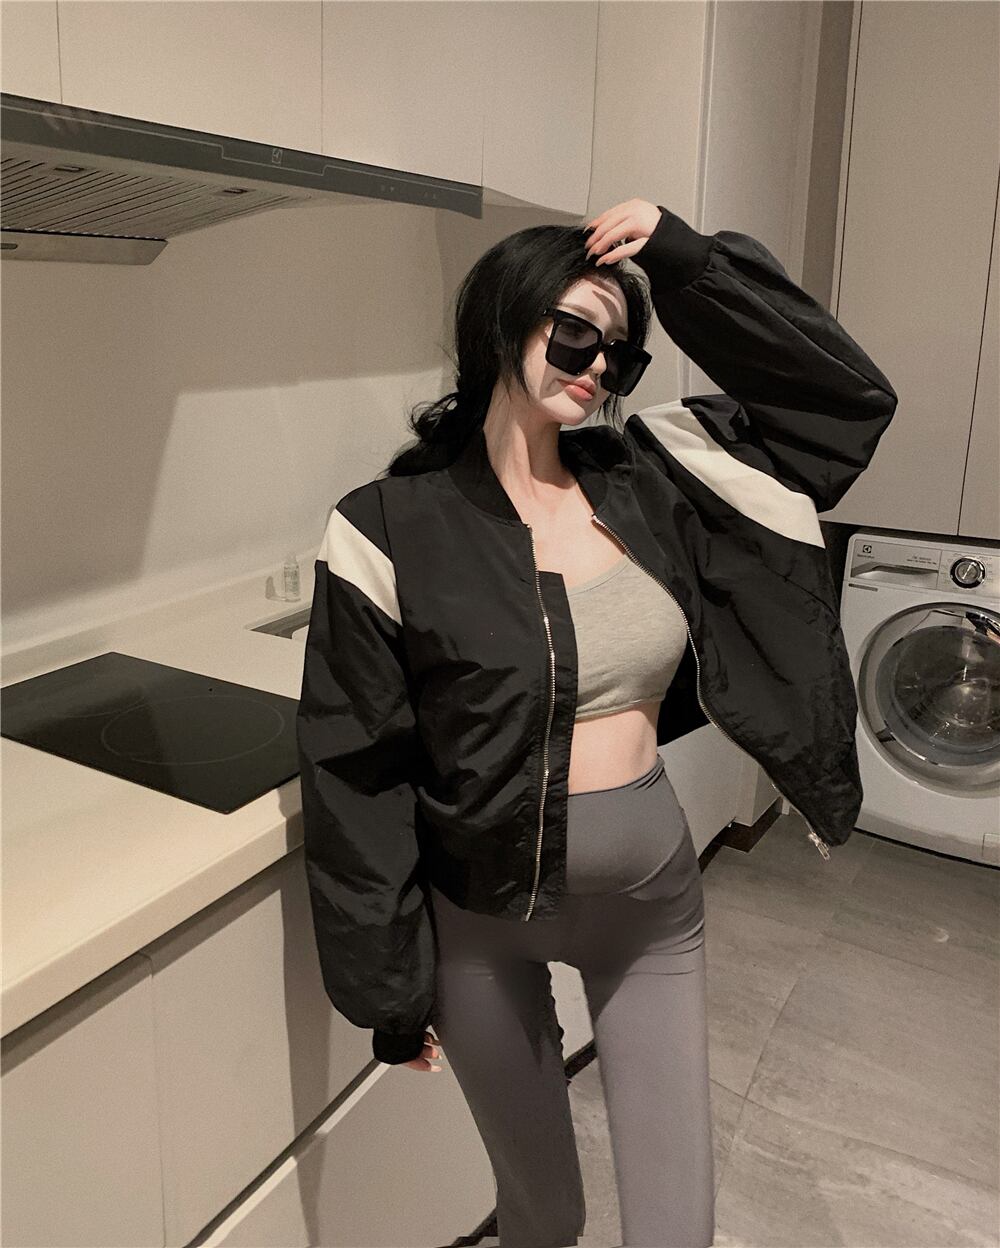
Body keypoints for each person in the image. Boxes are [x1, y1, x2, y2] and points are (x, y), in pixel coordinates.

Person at [295, 198, 898, 1247]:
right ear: (501, 321)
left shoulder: (658, 475)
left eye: (618, 353)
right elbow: (356, 770)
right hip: (476, 922)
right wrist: (388, 991)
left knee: (675, 1226)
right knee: (543, 1214)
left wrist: (687, 262)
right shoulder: (386, 526)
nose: (597, 367)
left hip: (648, 910)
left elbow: (841, 406)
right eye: (574, 333)